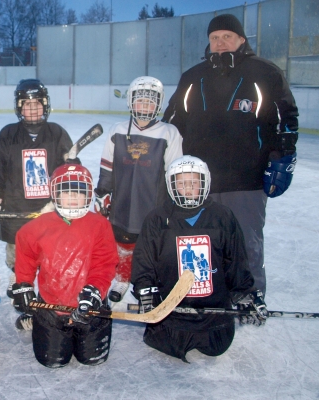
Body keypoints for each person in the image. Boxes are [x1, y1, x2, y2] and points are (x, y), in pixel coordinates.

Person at [162, 14, 299, 297]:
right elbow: (172, 124)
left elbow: (286, 118)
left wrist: (283, 157)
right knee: (200, 241)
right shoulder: (192, 77)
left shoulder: (265, 73)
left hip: (246, 177)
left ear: (241, 40)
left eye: (227, 37)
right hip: (198, 181)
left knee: (246, 240)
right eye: (215, 38)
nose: (221, 43)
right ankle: (207, 292)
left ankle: (250, 295)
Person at [131, 156, 268, 362]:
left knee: (217, 346)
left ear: (205, 183)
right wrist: (146, 290)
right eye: (181, 183)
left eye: (194, 182)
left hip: (214, 317)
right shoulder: (157, 219)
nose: (188, 188)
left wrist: (244, 293)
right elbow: (145, 261)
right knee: (165, 342)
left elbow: (236, 261)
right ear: (171, 185)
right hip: (170, 315)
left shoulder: (223, 216)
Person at [10, 163, 119, 368]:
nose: (73, 198)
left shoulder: (100, 225)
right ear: (55, 194)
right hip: (52, 305)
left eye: (79, 192)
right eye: (66, 192)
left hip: (90, 307)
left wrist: (95, 290)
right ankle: (38, 321)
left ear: (88, 194)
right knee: (52, 361)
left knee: (92, 359)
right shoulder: (36, 227)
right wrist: (23, 284)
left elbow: (104, 263)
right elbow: (26, 255)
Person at [94, 76, 183, 303]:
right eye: (140, 101)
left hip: (154, 204)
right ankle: (122, 279)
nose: (144, 106)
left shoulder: (169, 133)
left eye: (150, 102)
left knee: (153, 246)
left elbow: (174, 173)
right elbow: (107, 167)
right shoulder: (118, 130)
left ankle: (148, 283)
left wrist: (174, 204)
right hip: (123, 200)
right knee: (123, 241)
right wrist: (102, 192)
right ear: (131, 103)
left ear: (159, 104)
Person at [0, 79, 73, 296]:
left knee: (50, 252)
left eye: (37, 103)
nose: (32, 108)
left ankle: (47, 282)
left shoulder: (57, 133)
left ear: (45, 105)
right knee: (16, 251)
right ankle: (18, 275)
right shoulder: (8, 134)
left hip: (48, 207)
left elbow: (71, 169)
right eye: (27, 104)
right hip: (16, 205)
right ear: (19, 107)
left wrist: (72, 167)